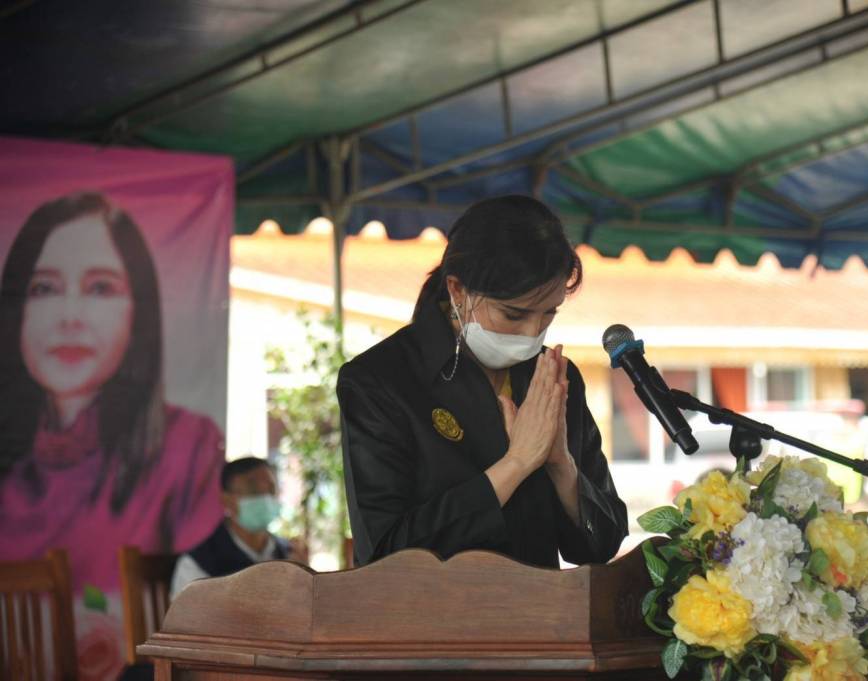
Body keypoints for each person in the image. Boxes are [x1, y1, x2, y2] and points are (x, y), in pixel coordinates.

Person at [336, 195, 628, 568]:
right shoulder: (380, 381)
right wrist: (517, 463)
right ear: (458, 290)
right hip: (432, 606)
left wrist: (560, 465)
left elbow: (601, 545)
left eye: (548, 314)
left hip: (541, 603)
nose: (532, 332)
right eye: (514, 314)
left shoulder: (553, 378)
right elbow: (386, 553)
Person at [0, 192, 224, 595]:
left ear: (138, 311)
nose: (70, 317)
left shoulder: (190, 446)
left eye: (100, 288)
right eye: (44, 288)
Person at [169, 457, 307, 598]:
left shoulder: (290, 555)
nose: (265, 498)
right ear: (226, 500)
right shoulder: (197, 565)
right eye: (253, 490)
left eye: (271, 490)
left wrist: (305, 580)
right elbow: (187, 612)